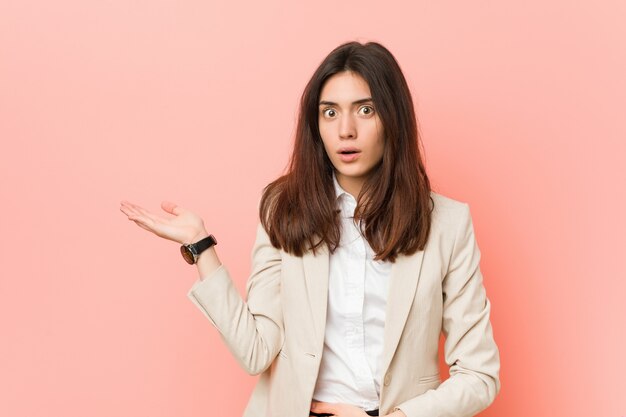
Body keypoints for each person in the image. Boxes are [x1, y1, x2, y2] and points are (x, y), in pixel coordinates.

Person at [120, 41, 500, 417]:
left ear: (393, 118)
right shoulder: (283, 208)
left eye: (365, 110)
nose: (345, 130)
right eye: (330, 112)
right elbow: (255, 352)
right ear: (315, 124)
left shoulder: (447, 224)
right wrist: (200, 246)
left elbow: (479, 376)